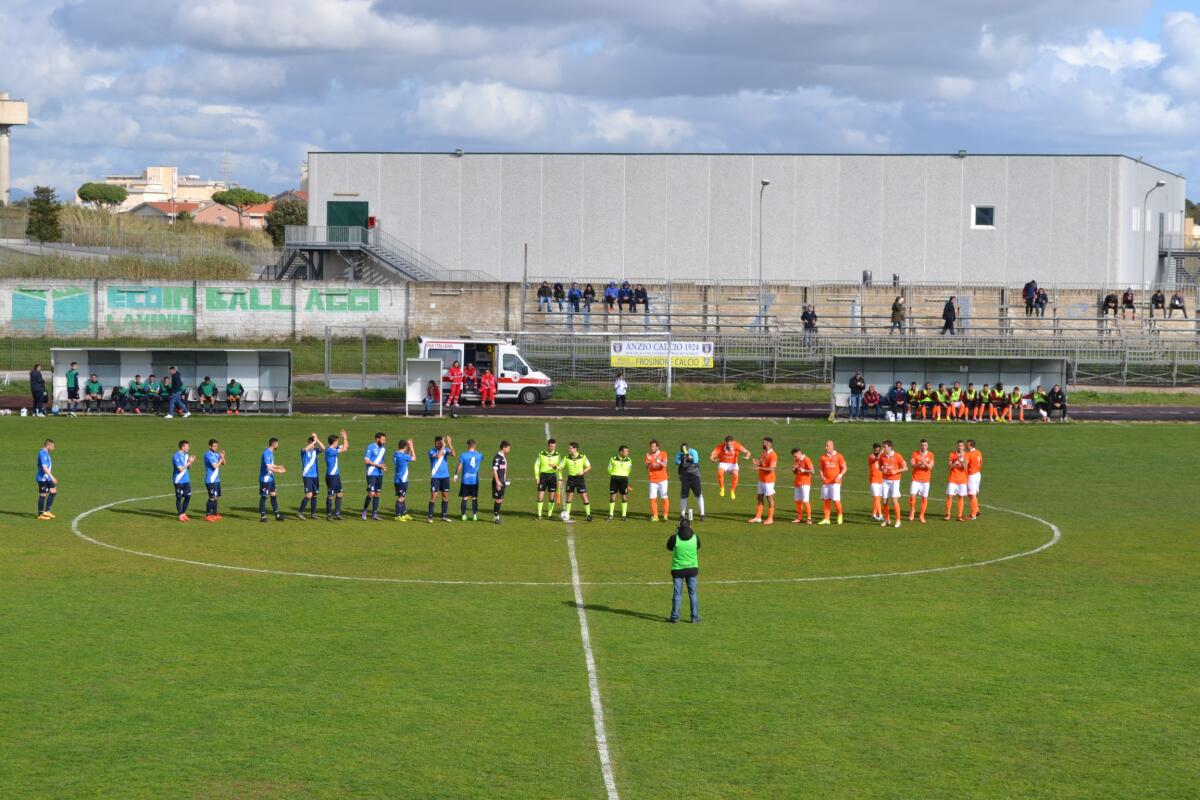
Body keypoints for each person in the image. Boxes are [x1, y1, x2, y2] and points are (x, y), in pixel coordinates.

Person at [666, 520, 701, 624]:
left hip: (678, 570)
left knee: (677, 594)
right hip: (692, 569)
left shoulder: (675, 538)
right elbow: (698, 547)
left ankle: (674, 617)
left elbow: (669, 548)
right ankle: (694, 617)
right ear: (690, 526)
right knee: (693, 594)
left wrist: (676, 533)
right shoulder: (695, 538)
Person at [877, 439, 907, 528]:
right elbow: (879, 467)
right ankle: (887, 520)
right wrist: (882, 469)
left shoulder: (898, 456)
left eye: (884, 447)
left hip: (895, 480)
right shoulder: (882, 456)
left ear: (890, 447)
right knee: (884, 501)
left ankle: (898, 521)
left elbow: (906, 468)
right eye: (883, 446)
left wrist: (896, 471)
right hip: (885, 480)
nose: (883, 448)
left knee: (894, 501)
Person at [748, 437, 778, 525]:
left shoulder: (773, 455)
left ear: (768, 443)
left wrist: (759, 467)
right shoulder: (764, 453)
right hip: (761, 479)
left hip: (769, 481)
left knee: (769, 498)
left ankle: (770, 518)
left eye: (764, 442)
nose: (762, 444)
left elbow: (771, 469)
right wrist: (757, 463)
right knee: (759, 497)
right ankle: (758, 517)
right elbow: (763, 464)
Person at [817, 440, 847, 525]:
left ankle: (840, 516)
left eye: (827, 446)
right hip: (826, 482)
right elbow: (820, 469)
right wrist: (822, 476)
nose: (825, 448)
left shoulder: (839, 456)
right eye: (825, 446)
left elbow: (844, 468)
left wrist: (839, 476)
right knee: (826, 500)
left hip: (835, 482)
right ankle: (827, 518)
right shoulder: (823, 457)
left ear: (832, 446)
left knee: (836, 500)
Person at [561, 441, 593, 522]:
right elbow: (560, 466)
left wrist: (583, 471)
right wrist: (555, 466)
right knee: (569, 497)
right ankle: (567, 514)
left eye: (570, 448)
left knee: (584, 497)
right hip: (571, 479)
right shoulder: (566, 458)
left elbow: (589, 467)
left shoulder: (583, 457)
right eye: (569, 448)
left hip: (580, 479)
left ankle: (588, 515)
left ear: (575, 449)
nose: (569, 449)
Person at [455, 438, 485, 521]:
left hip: (465, 480)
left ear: (467, 445)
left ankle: (463, 515)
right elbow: (481, 458)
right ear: (475, 445)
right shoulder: (479, 455)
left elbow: (460, 465)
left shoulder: (463, 455)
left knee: (464, 498)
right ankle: (475, 515)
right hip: (474, 480)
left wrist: (456, 475)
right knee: (474, 498)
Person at [675, 442, 705, 523]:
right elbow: (676, 462)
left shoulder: (693, 452)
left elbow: (695, 461)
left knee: (698, 495)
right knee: (683, 496)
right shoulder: (680, 453)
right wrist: (681, 456)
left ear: (688, 448)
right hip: (685, 478)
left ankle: (702, 514)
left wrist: (688, 455)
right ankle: (682, 515)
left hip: (694, 476)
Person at [259, 437, 287, 523]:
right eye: (277, 443)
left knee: (274, 495)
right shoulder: (266, 453)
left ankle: (277, 514)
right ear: (273, 444)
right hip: (265, 479)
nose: (278, 445)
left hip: (270, 478)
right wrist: (279, 471)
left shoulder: (270, 452)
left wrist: (278, 466)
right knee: (264, 497)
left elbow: (271, 464)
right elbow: (268, 467)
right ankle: (263, 516)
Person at [361, 432, 388, 521]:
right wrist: (378, 465)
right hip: (371, 473)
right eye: (383, 439)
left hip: (379, 474)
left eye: (385, 440)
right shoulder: (371, 447)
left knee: (377, 494)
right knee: (371, 493)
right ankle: (364, 511)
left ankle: (374, 514)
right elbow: (366, 461)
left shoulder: (383, 449)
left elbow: (381, 461)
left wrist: (383, 467)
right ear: (377, 439)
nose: (384, 441)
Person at [534, 438, 563, 520]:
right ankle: (539, 515)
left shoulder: (557, 455)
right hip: (543, 476)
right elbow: (536, 465)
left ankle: (549, 515)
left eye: (554, 446)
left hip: (553, 476)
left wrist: (560, 478)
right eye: (551, 446)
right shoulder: (541, 454)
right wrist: (537, 477)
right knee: (540, 496)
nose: (552, 448)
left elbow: (560, 468)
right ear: (548, 446)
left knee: (551, 497)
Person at [297, 433, 324, 520]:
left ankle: (313, 514)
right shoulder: (304, 451)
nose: (313, 446)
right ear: (308, 443)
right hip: (307, 476)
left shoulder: (315, 451)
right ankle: (300, 513)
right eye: (311, 444)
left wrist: (317, 439)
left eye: (314, 444)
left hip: (315, 476)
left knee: (315, 494)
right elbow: (305, 449)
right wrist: (313, 441)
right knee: (309, 494)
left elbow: (323, 448)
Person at [324, 429, 349, 520]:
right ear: (334, 442)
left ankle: (337, 513)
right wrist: (345, 438)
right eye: (337, 441)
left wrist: (345, 439)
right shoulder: (329, 450)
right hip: (331, 476)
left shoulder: (335, 448)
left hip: (336, 475)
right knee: (331, 495)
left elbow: (347, 446)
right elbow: (344, 449)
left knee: (340, 493)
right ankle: (329, 514)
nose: (338, 442)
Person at [908, 439, 934, 523]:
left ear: (927, 446)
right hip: (916, 479)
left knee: (924, 498)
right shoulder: (915, 453)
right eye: (922, 445)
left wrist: (924, 463)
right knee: (912, 495)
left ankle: (921, 515)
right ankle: (912, 511)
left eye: (925, 445)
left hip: (926, 480)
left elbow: (930, 467)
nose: (923, 446)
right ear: (920, 445)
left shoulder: (930, 454)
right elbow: (912, 465)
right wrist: (920, 464)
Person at [645, 439, 670, 522]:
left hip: (663, 479)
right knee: (653, 498)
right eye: (651, 446)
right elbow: (646, 467)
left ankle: (665, 516)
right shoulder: (648, 455)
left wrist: (658, 461)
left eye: (653, 446)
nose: (652, 448)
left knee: (664, 497)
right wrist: (648, 462)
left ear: (657, 447)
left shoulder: (663, 453)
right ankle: (655, 516)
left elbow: (665, 465)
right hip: (652, 480)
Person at [392, 437, 415, 521]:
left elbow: (407, 459)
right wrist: (411, 447)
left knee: (403, 496)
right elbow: (414, 458)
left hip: (398, 479)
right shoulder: (403, 456)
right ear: (405, 447)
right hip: (402, 480)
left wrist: (408, 448)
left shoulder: (396, 454)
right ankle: (398, 516)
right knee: (401, 498)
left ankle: (404, 514)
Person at [606, 445, 632, 521]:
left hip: (624, 479)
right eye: (626, 451)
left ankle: (623, 516)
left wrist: (624, 475)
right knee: (613, 496)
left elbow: (629, 470)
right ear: (621, 452)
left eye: (627, 451)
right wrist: (614, 474)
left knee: (624, 497)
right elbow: (609, 469)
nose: (627, 452)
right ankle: (610, 515)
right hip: (614, 479)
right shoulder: (613, 459)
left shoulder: (629, 460)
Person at [171, 440, 195, 522]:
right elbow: (180, 469)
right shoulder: (176, 456)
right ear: (182, 447)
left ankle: (183, 513)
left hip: (186, 480)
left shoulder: (186, 455)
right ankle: (180, 514)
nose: (188, 448)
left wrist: (191, 462)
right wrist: (189, 462)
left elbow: (189, 468)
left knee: (188, 496)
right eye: (187, 446)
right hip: (178, 480)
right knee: (179, 497)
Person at [203, 439, 226, 523]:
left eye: (216, 446)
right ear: (209, 446)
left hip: (216, 480)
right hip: (210, 480)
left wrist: (223, 456)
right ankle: (208, 515)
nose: (216, 448)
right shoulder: (208, 455)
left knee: (216, 497)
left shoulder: (216, 454)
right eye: (214, 446)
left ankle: (215, 514)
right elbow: (215, 466)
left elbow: (223, 463)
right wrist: (221, 458)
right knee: (212, 497)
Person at [945, 440, 968, 521]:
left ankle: (959, 516)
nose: (960, 447)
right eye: (958, 445)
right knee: (949, 496)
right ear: (956, 446)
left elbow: (965, 468)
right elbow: (949, 467)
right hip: (952, 479)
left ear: (964, 447)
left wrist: (961, 461)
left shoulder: (966, 455)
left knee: (961, 497)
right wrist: (955, 462)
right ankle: (948, 514)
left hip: (962, 480)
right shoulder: (952, 454)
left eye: (961, 446)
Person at [790, 446, 814, 524]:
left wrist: (804, 470)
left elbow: (812, 471)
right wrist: (794, 469)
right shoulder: (797, 460)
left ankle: (809, 518)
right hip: (797, 483)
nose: (794, 457)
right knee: (797, 501)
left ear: (799, 453)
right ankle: (799, 517)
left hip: (805, 483)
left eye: (795, 455)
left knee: (805, 501)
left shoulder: (806, 459)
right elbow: (796, 473)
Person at [36, 439, 58, 520]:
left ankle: (47, 511)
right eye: (53, 446)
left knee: (53, 491)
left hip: (47, 478)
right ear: (48, 445)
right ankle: (40, 514)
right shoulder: (42, 453)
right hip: (42, 478)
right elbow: (45, 468)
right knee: (43, 494)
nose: (54, 448)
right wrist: (52, 477)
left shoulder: (45, 453)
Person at [491, 440, 511, 524]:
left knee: (500, 499)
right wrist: (497, 482)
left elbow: (503, 470)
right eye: (508, 448)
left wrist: (504, 480)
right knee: (498, 500)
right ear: (504, 448)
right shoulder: (497, 457)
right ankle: (496, 518)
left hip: (502, 482)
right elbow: (494, 470)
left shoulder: (503, 457)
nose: (509, 450)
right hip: (498, 482)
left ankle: (497, 516)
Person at [965, 439, 983, 520]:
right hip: (978, 474)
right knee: (973, 494)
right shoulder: (978, 452)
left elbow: (965, 466)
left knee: (972, 495)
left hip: (971, 475)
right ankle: (977, 510)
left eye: (967, 445)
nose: (965, 446)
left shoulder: (969, 454)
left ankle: (973, 515)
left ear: (970, 445)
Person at [867, 442, 885, 521]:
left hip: (881, 480)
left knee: (878, 499)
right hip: (874, 480)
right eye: (876, 450)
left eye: (878, 450)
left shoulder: (882, 457)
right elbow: (876, 458)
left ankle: (874, 514)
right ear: (873, 450)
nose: (877, 451)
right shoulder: (871, 456)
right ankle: (880, 515)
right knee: (876, 498)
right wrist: (883, 450)